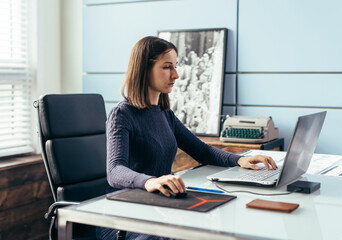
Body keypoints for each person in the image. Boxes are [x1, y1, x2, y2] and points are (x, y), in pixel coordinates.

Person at [97, 36, 277, 240]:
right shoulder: (122, 114)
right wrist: (150, 181)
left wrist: (239, 159)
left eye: (175, 66)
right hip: (122, 215)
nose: (176, 75)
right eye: (167, 67)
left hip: (159, 205)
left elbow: (202, 151)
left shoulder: (165, 114)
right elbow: (114, 171)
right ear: (144, 69)